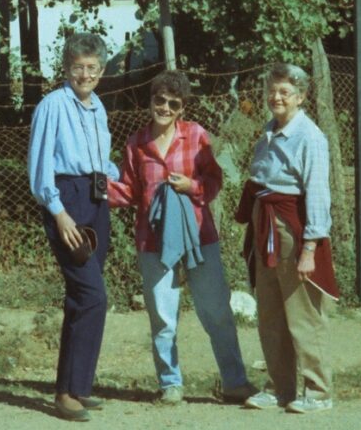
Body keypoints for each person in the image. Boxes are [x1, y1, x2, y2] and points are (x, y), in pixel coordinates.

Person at [108, 70, 256, 406]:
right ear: (151, 101)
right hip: (153, 241)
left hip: (198, 237)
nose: (164, 107)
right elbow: (130, 191)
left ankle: (235, 382)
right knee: (162, 315)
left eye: (173, 103)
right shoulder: (136, 143)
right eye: (159, 100)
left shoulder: (197, 136)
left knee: (216, 310)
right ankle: (171, 384)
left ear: (181, 109)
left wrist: (192, 187)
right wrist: (91, 190)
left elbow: (215, 181)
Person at [235, 63, 339, 414]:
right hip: (266, 227)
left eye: (285, 92)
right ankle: (280, 388)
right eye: (273, 90)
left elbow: (318, 194)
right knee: (271, 312)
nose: (276, 97)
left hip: (292, 230)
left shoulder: (309, 137)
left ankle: (318, 391)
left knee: (302, 313)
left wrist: (310, 248)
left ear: (301, 97)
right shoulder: (269, 130)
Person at [28, 32, 119, 423]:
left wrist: (121, 182)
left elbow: (102, 160)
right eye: (79, 67)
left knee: (81, 299)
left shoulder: (97, 107)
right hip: (67, 200)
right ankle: (65, 393)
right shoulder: (53, 105)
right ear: (67, 68)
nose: (86, 75)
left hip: (97, 200)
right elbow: (39, 164)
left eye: (93, 68)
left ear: (101, 71)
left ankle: (77, 387)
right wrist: (59, 211)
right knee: (93, 294)